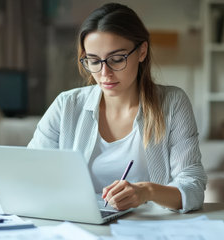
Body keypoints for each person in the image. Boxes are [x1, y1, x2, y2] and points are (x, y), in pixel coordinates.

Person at [28, 2, 206, 213]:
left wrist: (147, 191)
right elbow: (31, 171)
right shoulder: (66, 105)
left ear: (142, 51)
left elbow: (193, 187)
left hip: (151, 229)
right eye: (94, 61)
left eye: (116, 59)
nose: (105, 73)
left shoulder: (172, 103)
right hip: (81, 226)